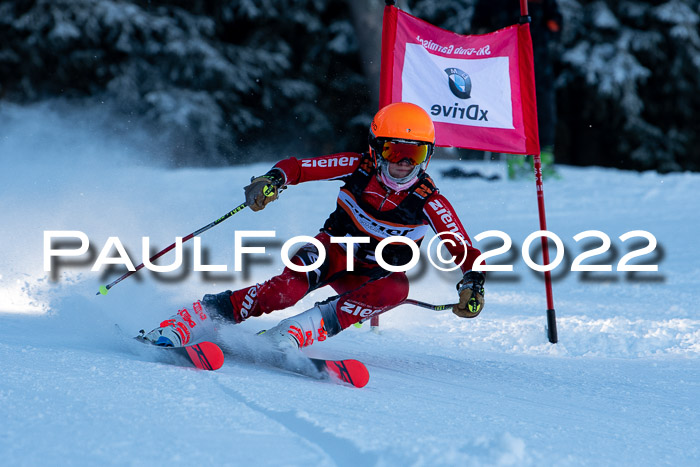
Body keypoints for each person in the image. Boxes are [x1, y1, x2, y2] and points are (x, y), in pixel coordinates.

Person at [143, 102, 486, 351]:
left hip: (371, 275)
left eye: (415, 154)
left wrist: (473, 284)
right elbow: (299, 167)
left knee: (396, 289)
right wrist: (273, 180)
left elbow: (464, 250)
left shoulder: (429, 200)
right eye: (395, 151)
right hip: (331, 252)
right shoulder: (357, 167)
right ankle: (197, 316)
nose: (403, 164)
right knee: (283, 293)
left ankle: (296, 330)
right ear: (376, 149)